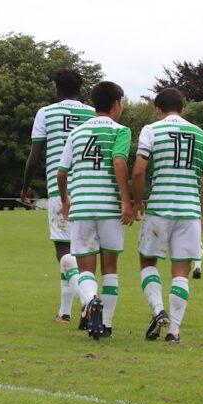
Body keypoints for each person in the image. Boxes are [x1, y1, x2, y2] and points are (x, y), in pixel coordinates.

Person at [132, 88, 203, 343]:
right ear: (183, 108)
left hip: (159, 208)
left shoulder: (151, 130)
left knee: (148, 262)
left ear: (157, 109)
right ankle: (174, 331)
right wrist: (201, 212)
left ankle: (158, 310)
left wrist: (137, 203)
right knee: (181, 271)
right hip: (189, 211)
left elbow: (138, 171)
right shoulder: (201, 134)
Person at [56, 81, 133, 339]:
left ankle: (89, 300)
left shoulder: (76, 133)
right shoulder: (121, 131)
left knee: (86, 269)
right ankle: (107, 325)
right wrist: (126, 201)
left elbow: (62, 172)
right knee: (110, 268)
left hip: (83, 206)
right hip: (110, 207)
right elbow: (119, 162)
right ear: (116, 104)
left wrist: (66, 200)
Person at [21, 69, 96, 324]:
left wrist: (25, 187)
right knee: (81, 252)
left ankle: (88, 301)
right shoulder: (92, 114)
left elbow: (34, 157)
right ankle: (65, 312)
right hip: (90, 190)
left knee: (63, 251)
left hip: (60, 190)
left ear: (57, 89)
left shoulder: (46, 113)